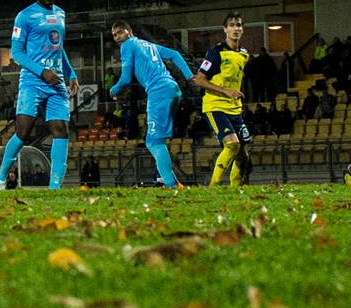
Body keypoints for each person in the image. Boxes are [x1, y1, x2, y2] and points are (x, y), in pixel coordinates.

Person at [0, 0, 79, 190]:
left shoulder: (60, 13)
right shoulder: (24, 16)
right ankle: (1, 176)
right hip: (33, 81)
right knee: (23, 131)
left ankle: (55, 187)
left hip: (56, 82)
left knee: (60, 129)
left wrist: (71, 73)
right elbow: (17, 53)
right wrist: (42, 72)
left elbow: (59, 47)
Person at [108, 20, 192, 188]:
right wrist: (190, 76)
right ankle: (162, 176)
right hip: (173, 89)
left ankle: (172, 185)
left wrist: (113, 90)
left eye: (120, 32)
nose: (117, 37)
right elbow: (174, 54)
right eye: (114, 35)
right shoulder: (147, 44)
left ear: (129, 31)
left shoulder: (127, 46)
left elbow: (125, 78)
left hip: (158, 91)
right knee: (157, 138)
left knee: (153, 142)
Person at [192, 12, 252, 186]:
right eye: (232, 25)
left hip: (234, 107)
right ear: (225, 29)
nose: (236, 28)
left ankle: (236, 190)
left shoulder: (244, 54)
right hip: (215, 105)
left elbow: (236, 79)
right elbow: (200, 80)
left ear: (242, 29)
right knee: (232, 145)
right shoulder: (216, 52)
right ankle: (213, 188)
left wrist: (238, 96)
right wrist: (225, 91)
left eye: (239, 25)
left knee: (242, 154)